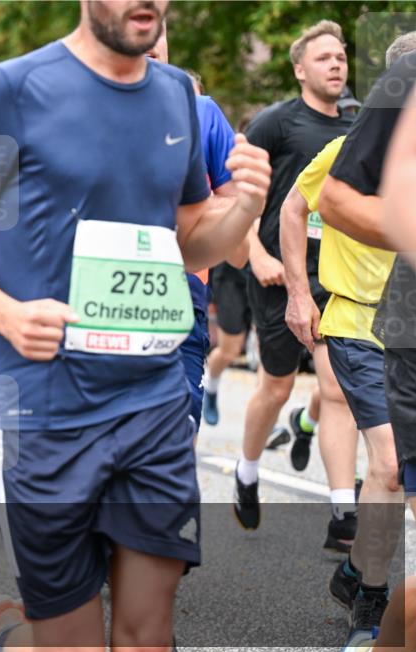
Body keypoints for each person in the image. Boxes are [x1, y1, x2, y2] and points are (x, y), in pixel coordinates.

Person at [0, 1, 271, 652]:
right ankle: (7, 646)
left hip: (154, 401)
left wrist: (242, 208)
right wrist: (6, 312)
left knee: (145, 649)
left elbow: (190, 243)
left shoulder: (176, 99)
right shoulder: (15, 91)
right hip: (48, 407)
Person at [317, 42, 416, 652]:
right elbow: (325, 201)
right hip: (399, 336)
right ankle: (373, 619)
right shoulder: (412, 79)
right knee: (384, 466)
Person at [235, 20, 357, 536]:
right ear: (300, 68)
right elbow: (234, 196)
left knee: (338, 386)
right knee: (277, 386)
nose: (336, 64)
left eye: (342, 56)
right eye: (325, 57)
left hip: (336, 278)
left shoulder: (356, 126)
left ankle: (343, 511)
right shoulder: (275, 123)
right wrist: (255, 255)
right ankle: (247, 469)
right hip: (277, 275)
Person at [146, 20, 247, 430]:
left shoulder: (202, 113)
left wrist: (248, 202)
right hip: (93, 308)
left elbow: (238, 250)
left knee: (174, 449)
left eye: (158, 25)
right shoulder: (72, 107)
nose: (151, 39)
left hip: (181, 301)